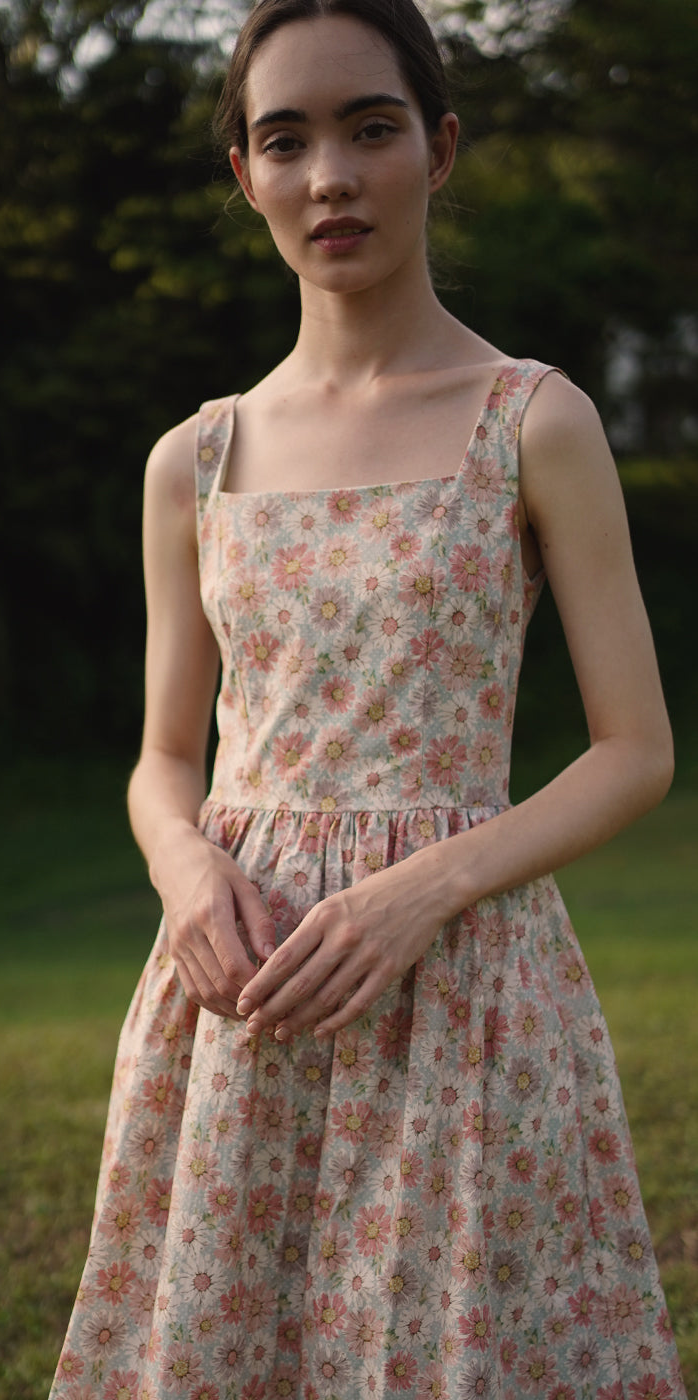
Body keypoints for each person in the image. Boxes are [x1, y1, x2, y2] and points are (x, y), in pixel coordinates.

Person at [49, 0, 686, 1395]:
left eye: (369, 128)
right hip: (247, 982)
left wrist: (421, 890)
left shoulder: (530, 420)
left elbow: (633, 752)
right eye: (286, 139)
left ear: (438, 148)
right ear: (245, 177)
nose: (329, 173)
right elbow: (164, 754)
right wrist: (186, 874)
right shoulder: (194, 460)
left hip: (461, 977)